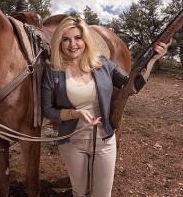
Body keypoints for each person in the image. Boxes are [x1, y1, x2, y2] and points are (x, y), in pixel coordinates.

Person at [41, 16, 170, 197]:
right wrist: (74, 113)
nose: (73, 44)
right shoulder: (53, 71)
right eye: (66, 39)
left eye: (77, 37)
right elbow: (47, 110)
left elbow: (130, 86)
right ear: (59, 42)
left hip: (105, 141)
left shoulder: (102, 63)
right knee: (80, 192)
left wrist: (152, 60)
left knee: (102, 194)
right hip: (72, 142)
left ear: (85, 39)